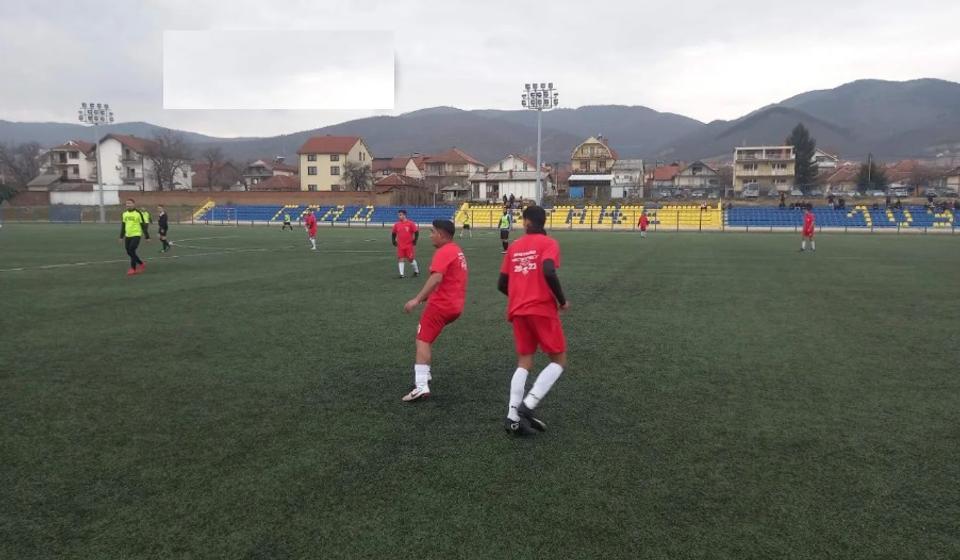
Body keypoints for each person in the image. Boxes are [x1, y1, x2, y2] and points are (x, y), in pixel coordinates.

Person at [498, 205, 569, 436]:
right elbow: (549, 270)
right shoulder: (549, 243)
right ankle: (528, 406)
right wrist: (562, 300)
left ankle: (512, 418)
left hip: (518, 310)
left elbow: (501, 284)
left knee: (524, 362)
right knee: (558, 360)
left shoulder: (515, 246)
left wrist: (520, 297)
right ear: (543, 221)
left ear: (527, 221)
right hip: (541, 309)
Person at [401, 220, 468, 402]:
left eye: (432, 232)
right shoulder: (456, 250)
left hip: (441, 305)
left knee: (422, 339)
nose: (430, 235)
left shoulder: (443, 252)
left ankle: (421, 385)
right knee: (424, 334)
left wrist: (417, 299)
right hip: (455, 305)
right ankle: (426, 373)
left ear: (441, 234)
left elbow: (437, 278)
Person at [119, 198, 146, 276]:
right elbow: (123, 226)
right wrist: (121, 237)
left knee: (131, 250)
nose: (128, 205)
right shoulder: (124, 214)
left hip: (136, 234)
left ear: (133, 204)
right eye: (127, 203)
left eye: (130, 203)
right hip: (128, 235)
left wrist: (147, 236)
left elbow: (143, 225)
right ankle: (141, 263)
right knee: (129, 252)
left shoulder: (138, 213)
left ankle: (133, 269)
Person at [391, 209, 420, 278]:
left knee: (410, 259)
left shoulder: (410, 223)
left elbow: (416, 232)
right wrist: (393, 241)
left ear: (404, 215)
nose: (399, 216)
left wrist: (415, 240)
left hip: (409, 245)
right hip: (400, 245)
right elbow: (393, 233)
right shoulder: (397, 224)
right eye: (398, 215)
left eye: (400, 215)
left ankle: (416, 271)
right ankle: (401, 274)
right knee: (401, 258)